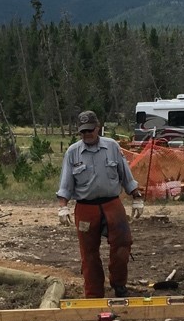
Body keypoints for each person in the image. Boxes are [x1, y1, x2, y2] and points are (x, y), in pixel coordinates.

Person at [57, 110, 145, 298]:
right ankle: (94, 294)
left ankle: (119, 285)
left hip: (112, 205)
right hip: (86, 208)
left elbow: (125, 175)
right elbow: (65, 185)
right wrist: (63, 207)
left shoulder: (112, 147)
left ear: (98, 128)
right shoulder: (73, 152)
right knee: (89, 254)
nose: (87, 135)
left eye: (90, 130)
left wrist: (136, 196)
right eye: (83, 132)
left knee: (123, 245)